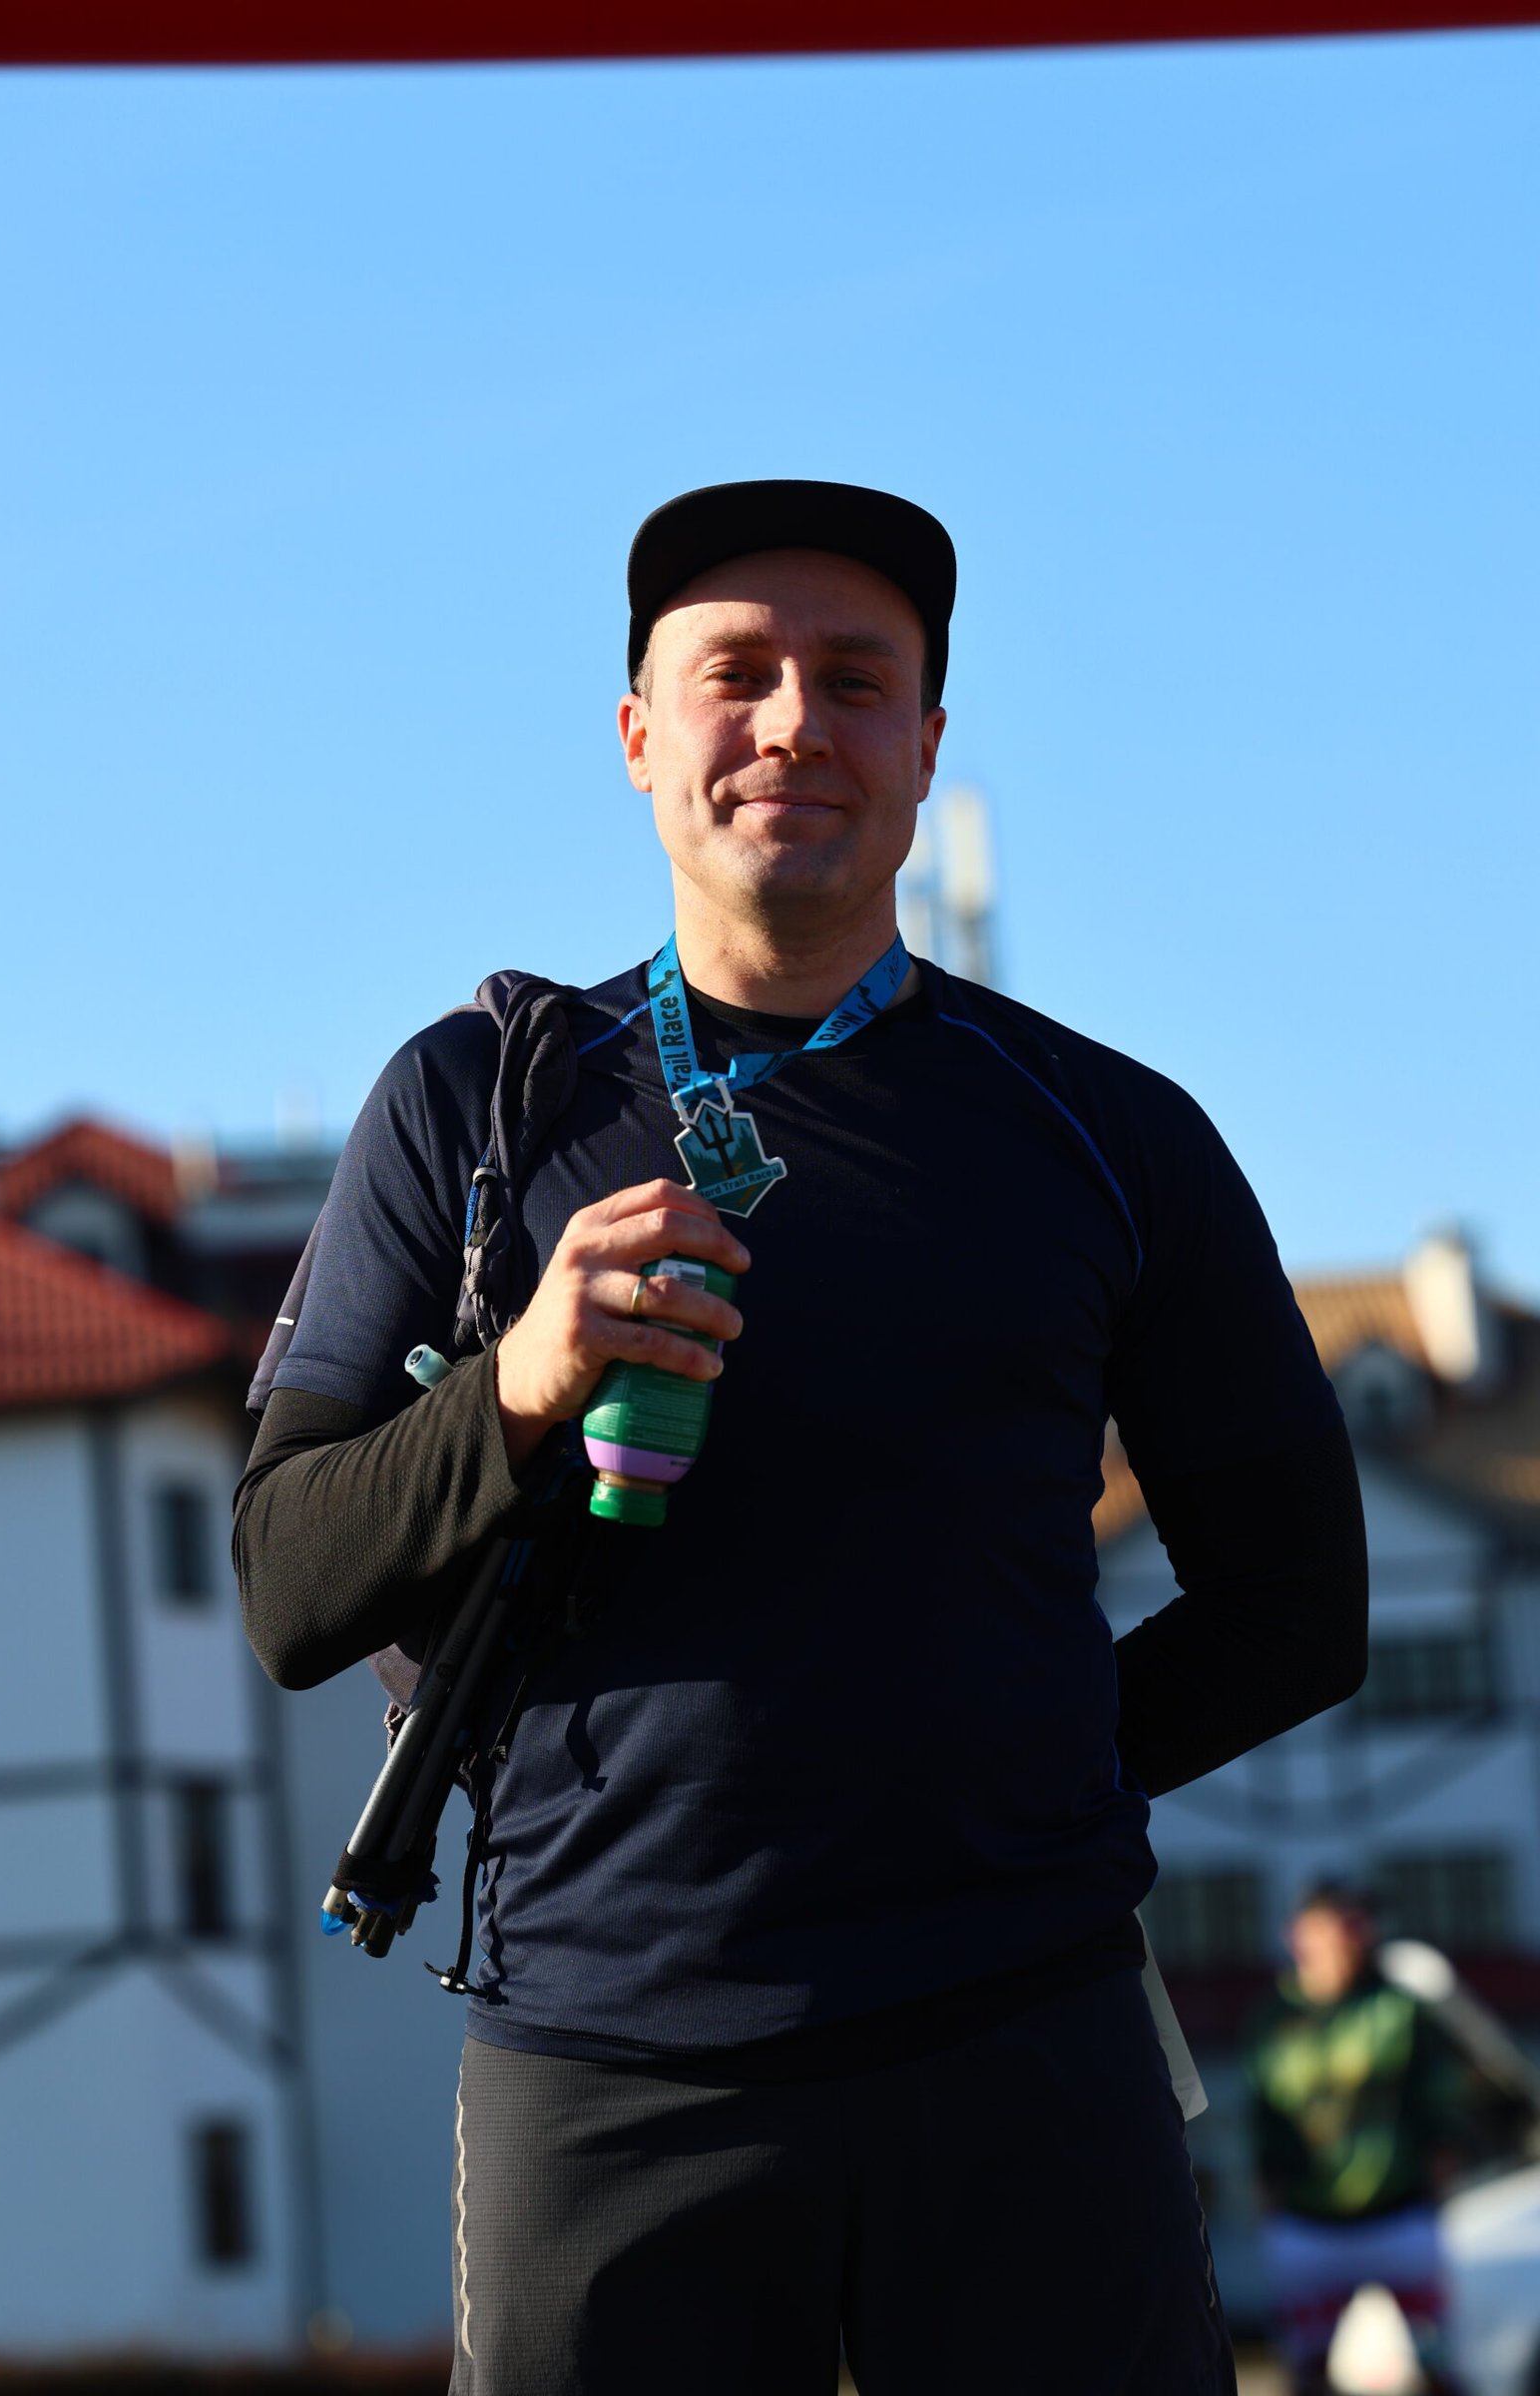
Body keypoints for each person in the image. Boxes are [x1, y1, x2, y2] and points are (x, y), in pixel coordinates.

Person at [235, 478, 1369, 2396]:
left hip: (1024, 2041)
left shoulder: (1108, 1134)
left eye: (855, 682)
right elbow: (286, 1585)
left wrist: (1006, 1789)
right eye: (735, 674)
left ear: (926, 744)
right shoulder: (475, 1105)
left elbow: (1301, 1608)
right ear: (636, 734)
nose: (792, 724)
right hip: (603, 2059)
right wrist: (520, 1382)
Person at [1246, 1882, 1474, 2396]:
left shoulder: (1396, 2008)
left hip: (1397, 2216)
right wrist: (1270, 2207)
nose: (1343, 1944)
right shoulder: (1271, 2016)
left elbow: (1439, 2103)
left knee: (1434, 2365)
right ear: (1297, 1936)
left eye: (1354, 1929)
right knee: (1309, 2371)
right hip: (1307, 2222)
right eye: (1330, 1930)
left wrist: (1436, 2189)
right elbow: (1262, 2118)